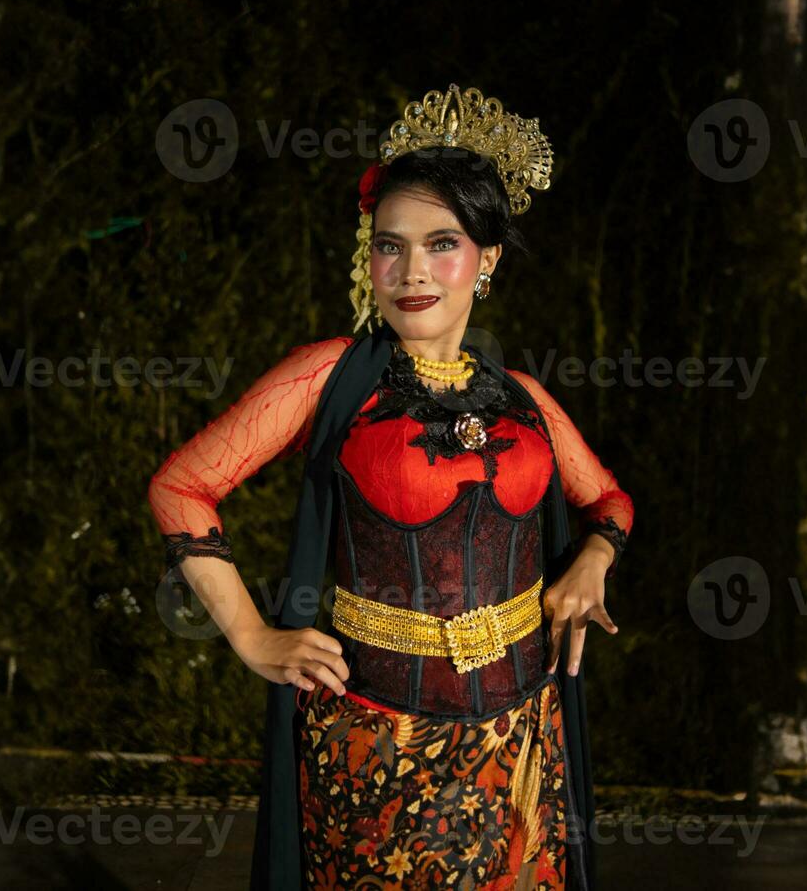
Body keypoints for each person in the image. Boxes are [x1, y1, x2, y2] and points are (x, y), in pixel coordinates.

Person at [147, 84, 633, 889]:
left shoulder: (521, 396)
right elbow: (180, 486)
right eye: (388, 245)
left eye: (442, 243)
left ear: (488, 260)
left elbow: (609, 501)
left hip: (521, 739)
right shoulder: (328, 376)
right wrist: (251, 636)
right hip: (380, 746)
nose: (410, 270)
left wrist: (588, 565)